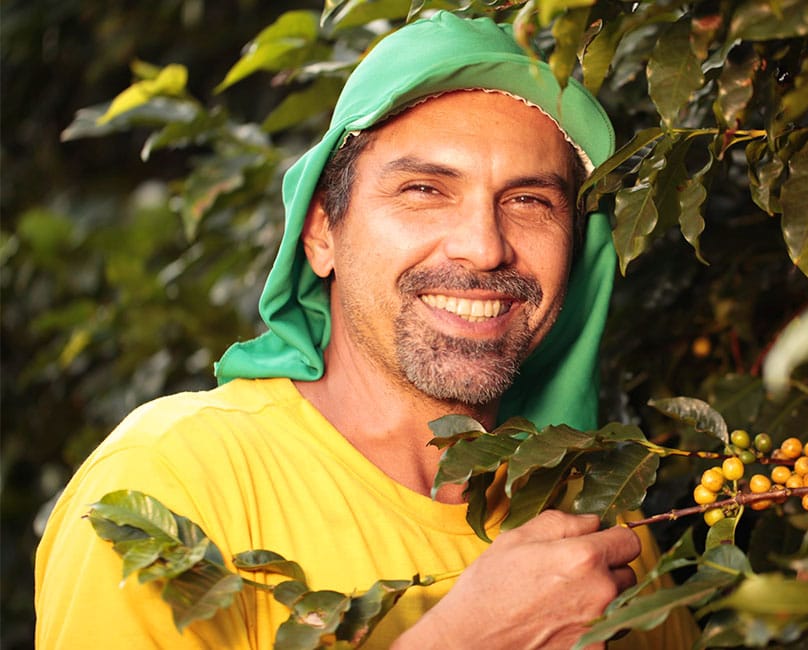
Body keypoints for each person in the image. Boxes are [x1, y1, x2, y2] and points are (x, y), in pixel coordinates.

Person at [35, 13, 698, 649]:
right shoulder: (169, 487)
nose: (483, 247)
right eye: (423, 190)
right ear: (321, 229)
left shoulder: (608, 527)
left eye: (529, 201)